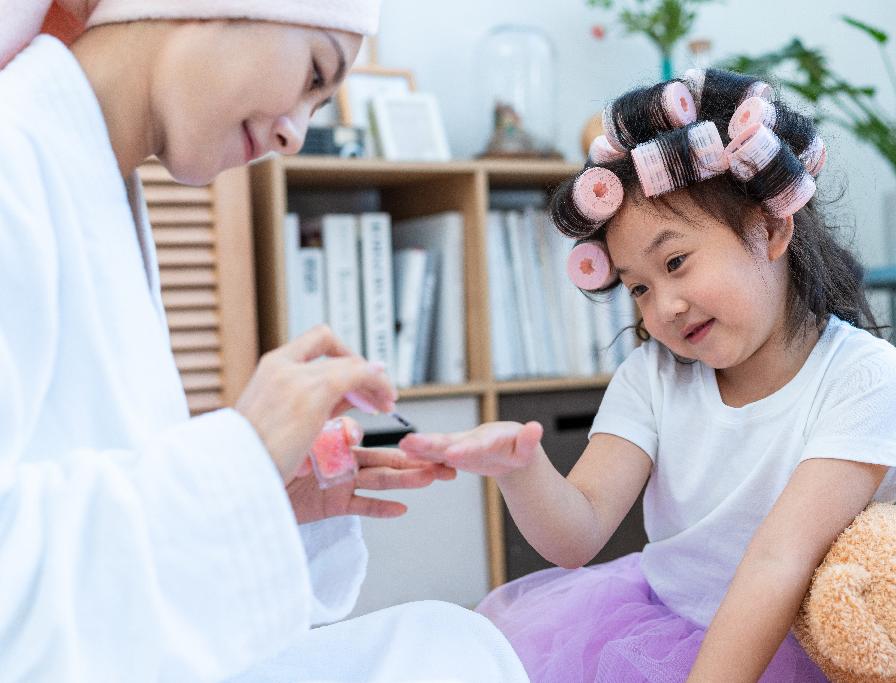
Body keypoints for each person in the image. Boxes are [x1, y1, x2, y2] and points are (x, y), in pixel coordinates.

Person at [0, 1, 528, 680]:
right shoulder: (15, 157)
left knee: (446, 643)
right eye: (313, 74)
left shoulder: (91, 172)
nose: (295, 135)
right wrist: (237, 457)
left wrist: (262, 501)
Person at [400, 71, 896, 682]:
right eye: (639, 288)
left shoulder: (862, 375)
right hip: (658, 627)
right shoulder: (651, 376)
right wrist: (520, 471)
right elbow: (577, 535)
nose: (664, 308)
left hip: (803, 641)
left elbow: (779, 562)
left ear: (772, 226)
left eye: (676, 261)